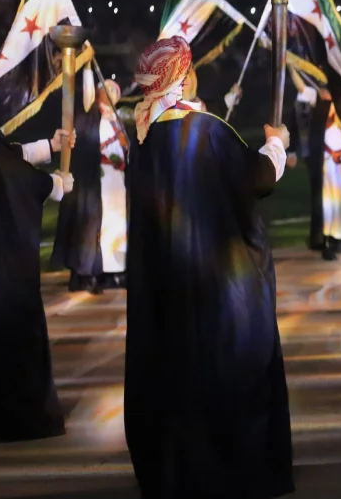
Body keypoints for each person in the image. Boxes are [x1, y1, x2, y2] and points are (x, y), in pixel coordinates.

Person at [124, 37, 294, 499]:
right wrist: (276, 145)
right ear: (183, 76)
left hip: (166, 281)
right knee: (225, 371)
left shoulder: (143, 137)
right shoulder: (204, 130)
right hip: (214, 282)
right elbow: (255, 179)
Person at [0, 67, 73, 442]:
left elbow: (4, 158)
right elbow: (9, 175)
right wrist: (52, 183)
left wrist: (48, 147)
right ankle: (18, 416)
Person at [52, 75, 129, 293]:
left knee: (116, 227)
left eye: (114, 91)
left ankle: (112, 272)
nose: (111, 94)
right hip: (93, 181)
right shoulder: (89, 118)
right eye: (107, 90)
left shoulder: (119, 121)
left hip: (116, 183)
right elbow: (85, 148)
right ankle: (85, 273)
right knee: (89, 227)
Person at [298, 83, 341, 261]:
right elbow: (303, 89)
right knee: (328, 202)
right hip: (328, 162)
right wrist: (291, 68)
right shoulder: (321, 104)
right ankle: (327, 241)